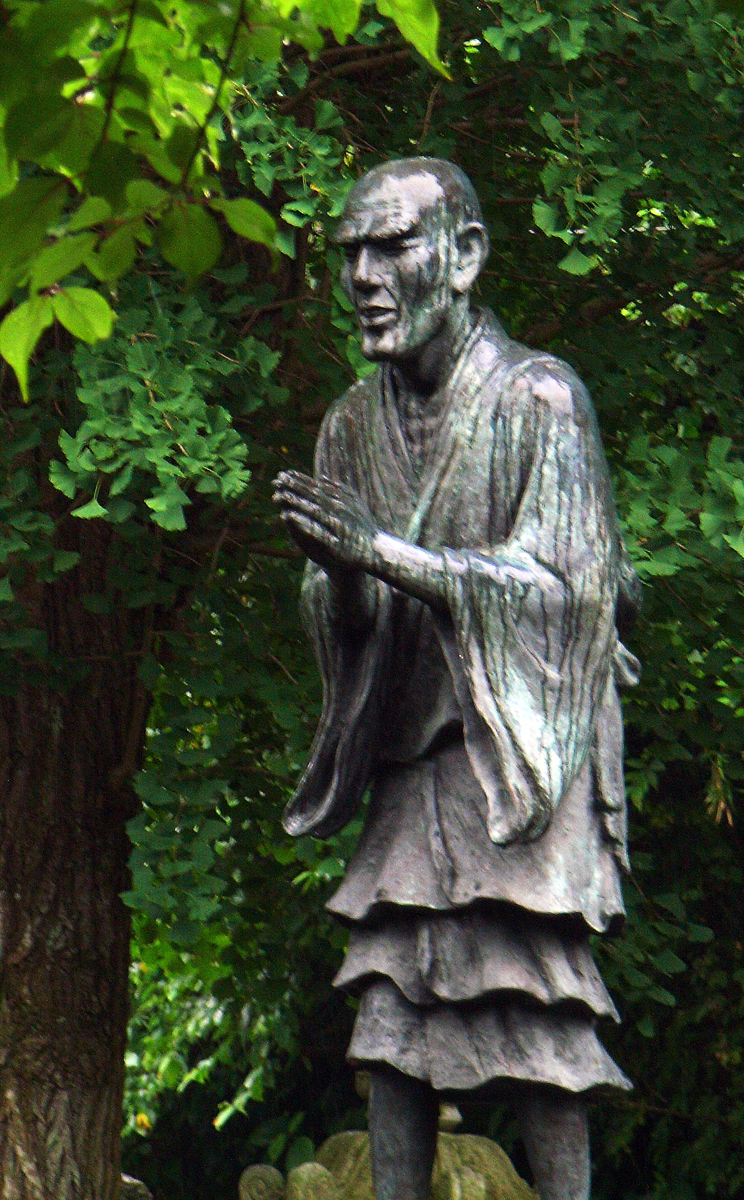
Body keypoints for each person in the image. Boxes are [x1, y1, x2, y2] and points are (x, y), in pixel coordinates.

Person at [273, 157, 641, 1200]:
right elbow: (342, 620)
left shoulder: (540, 399)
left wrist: (387, 556)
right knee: (392, 1016)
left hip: (518, 759)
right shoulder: (350, 425)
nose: (364, 275)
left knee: (542, 1015)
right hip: (412, 765)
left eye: (393, 245)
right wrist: (347, 579)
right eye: (350, 252)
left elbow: (567, 594)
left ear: (465, 255)